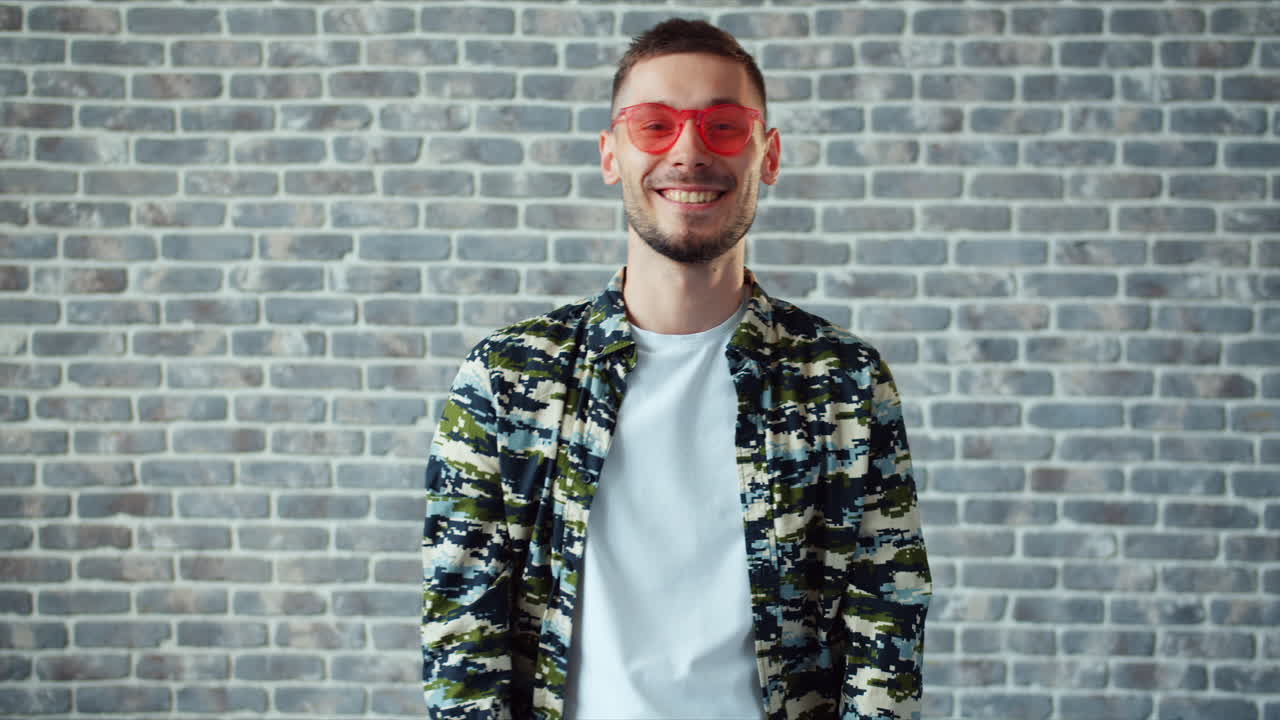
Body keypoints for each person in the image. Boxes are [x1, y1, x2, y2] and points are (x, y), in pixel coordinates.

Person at [422, 18, 931, 720]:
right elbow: (460, 642)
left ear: (769, 154)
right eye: (654, 125)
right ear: (611, 155)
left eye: (723, 126)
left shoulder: (842, 380)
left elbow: (887, 630)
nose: (689, 152)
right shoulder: (507, 381)